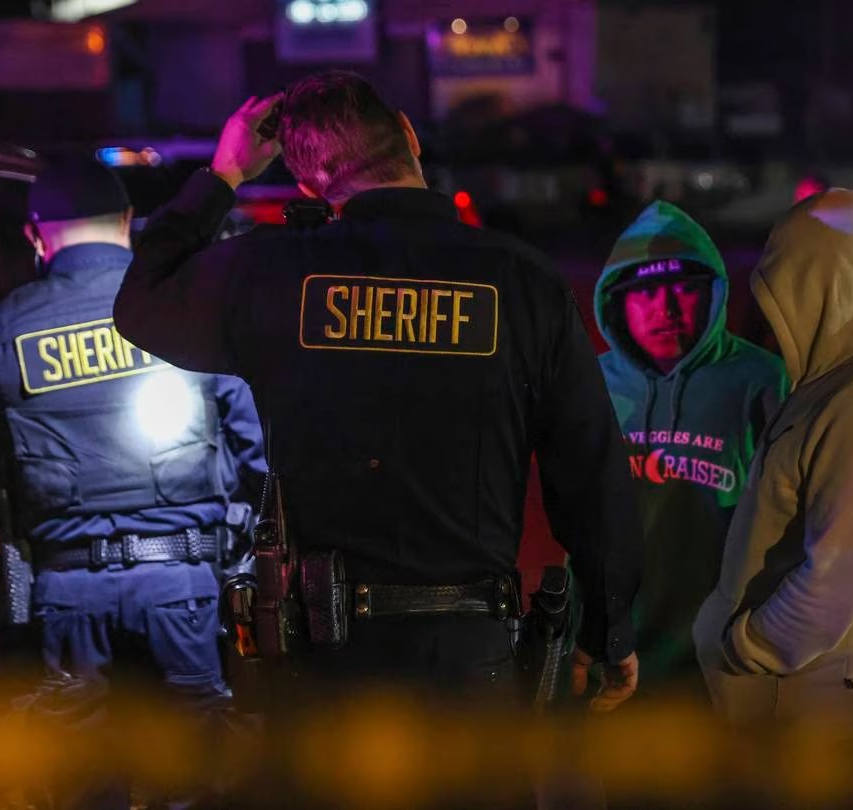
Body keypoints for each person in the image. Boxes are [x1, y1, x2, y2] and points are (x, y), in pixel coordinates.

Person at [114, 72, 641, 714]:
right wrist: (609, 631)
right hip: (470, 660)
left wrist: (223, 174)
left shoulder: (274, 270)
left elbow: (141, 301)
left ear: (311, 184)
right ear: (410, 137)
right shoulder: (521, 280)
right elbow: (589, 473)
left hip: (325, 665)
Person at [0, 155, 265, 810]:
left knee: (85, 782)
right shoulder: (186, 308)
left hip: (69, 599)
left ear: (36, 237)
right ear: (128, 222)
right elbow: (259, 451)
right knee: (200, 774)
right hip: (187, 588)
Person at [693, 189, 853, 809]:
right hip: (840, 712)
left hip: (847, 726)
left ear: (825, 292)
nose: (775, 324)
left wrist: (743, 646)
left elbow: (840, 580)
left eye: (788, 301)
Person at [593, 201, 788, 700]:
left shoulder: (761, 380)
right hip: (609, 654)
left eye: (684, 289)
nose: (667, 309)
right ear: (617, 303)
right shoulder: (588, 384)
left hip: (723, 661)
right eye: (646, 294)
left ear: (714, 294)